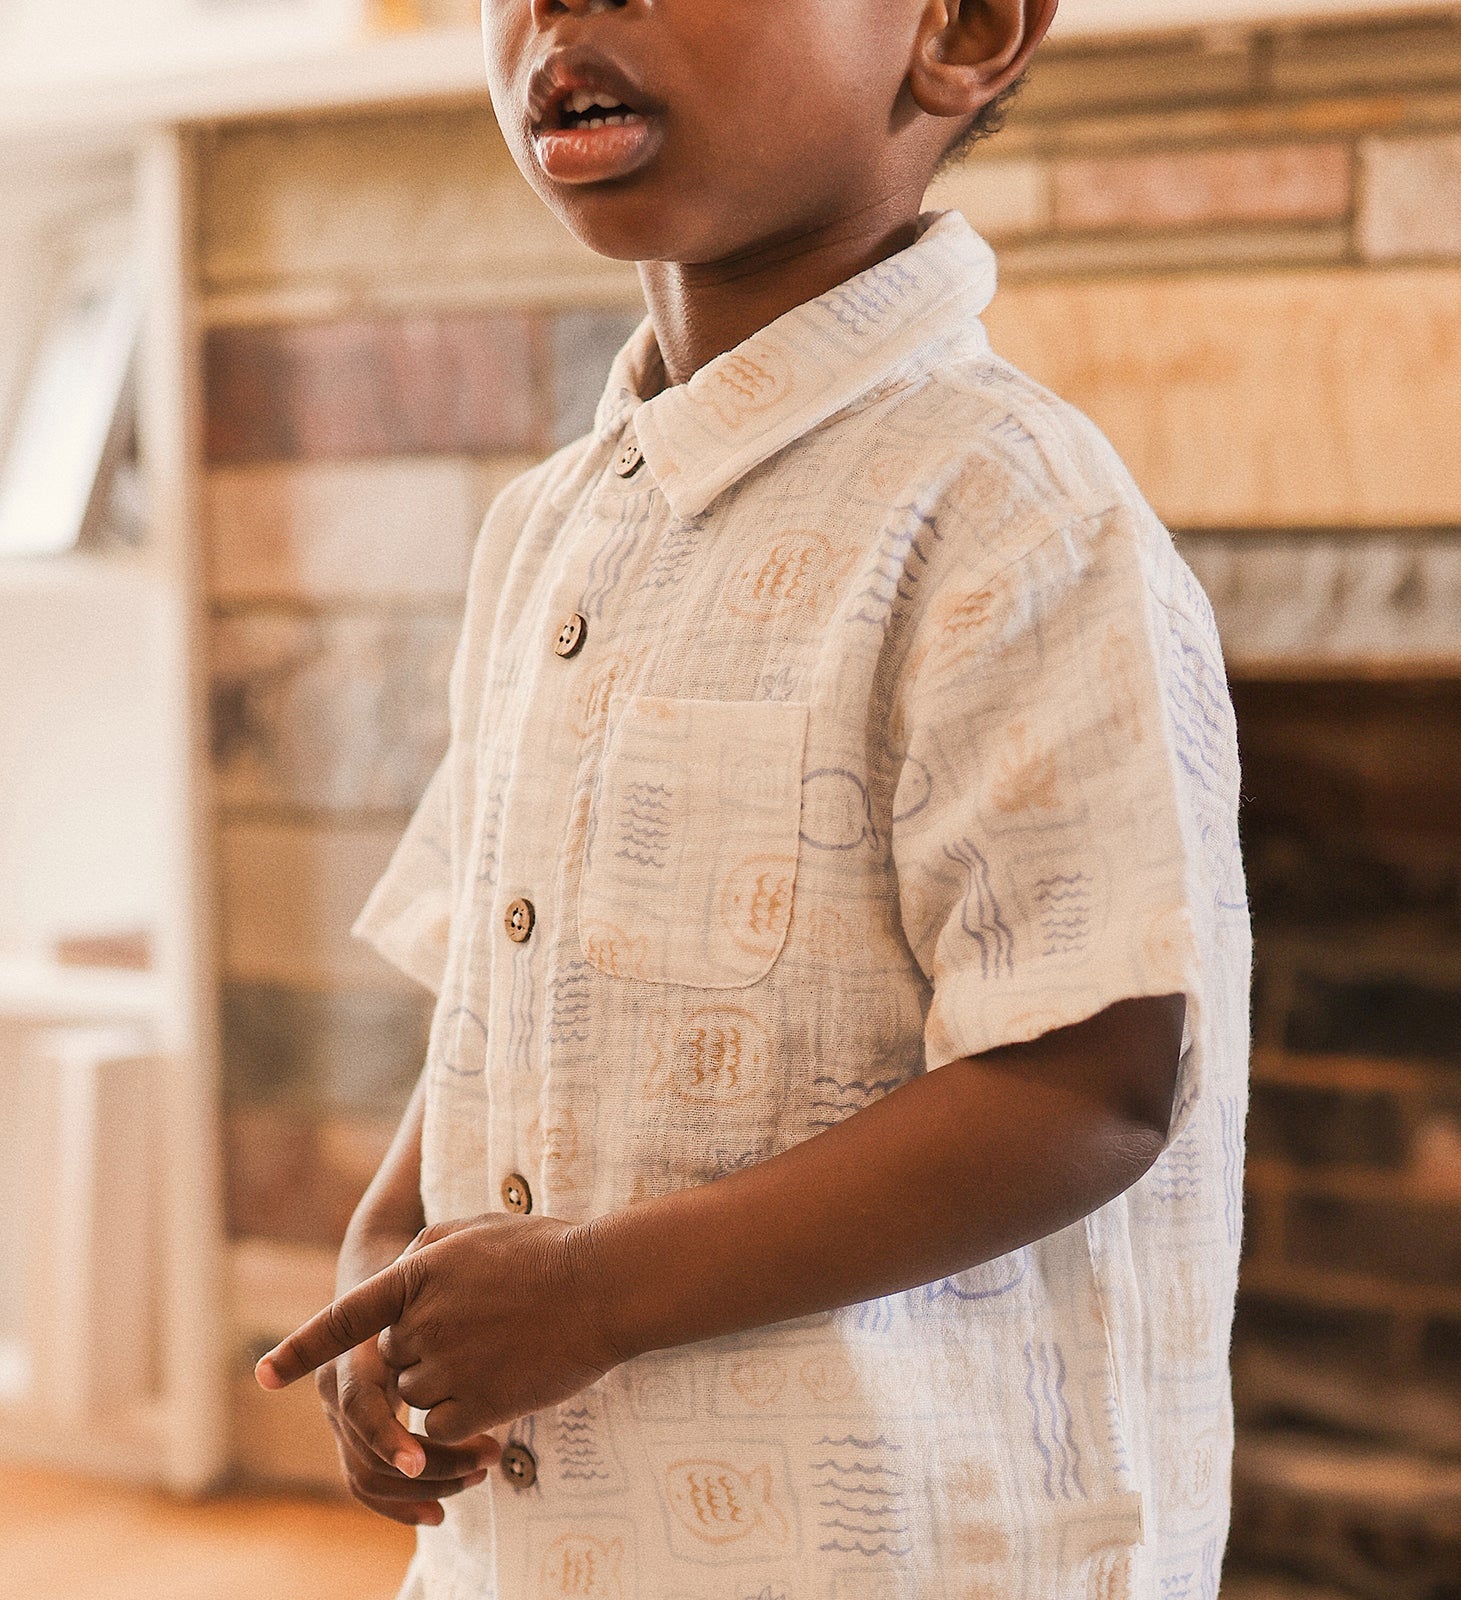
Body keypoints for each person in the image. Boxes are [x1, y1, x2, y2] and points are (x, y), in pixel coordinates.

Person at [256, 0, 1252, 1594]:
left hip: (900, 1550)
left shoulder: (1013, 514)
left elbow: (1089, 1084)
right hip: (565, 1546)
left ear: (962, 30)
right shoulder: (546, 531)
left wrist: (587, 1293)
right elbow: (498, 996)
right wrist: (393, 1242)